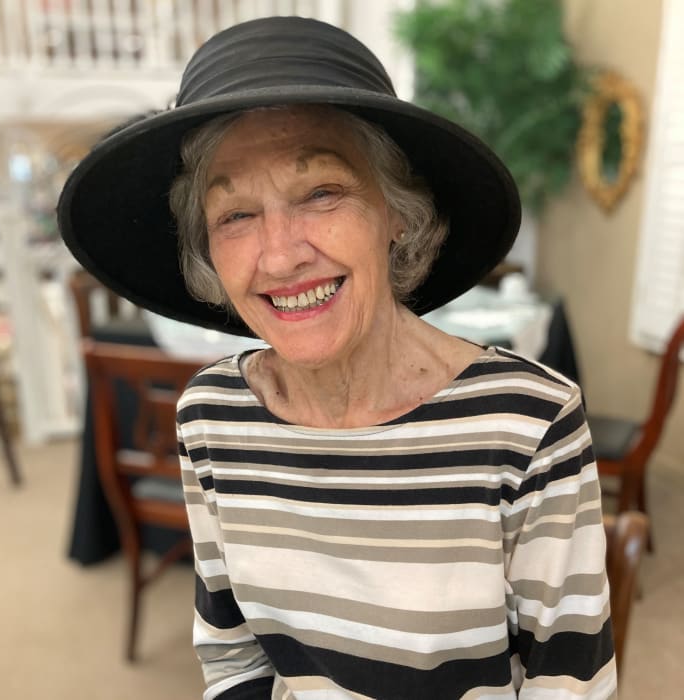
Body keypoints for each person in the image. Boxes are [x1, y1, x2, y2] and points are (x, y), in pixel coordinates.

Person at [58, 16, 616, 700]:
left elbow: (571, 685)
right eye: (235, 215)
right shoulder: (212, 416)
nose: (281, 254)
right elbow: (234, 662)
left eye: (321, 192)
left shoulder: (527, 423)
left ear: (398, 213)